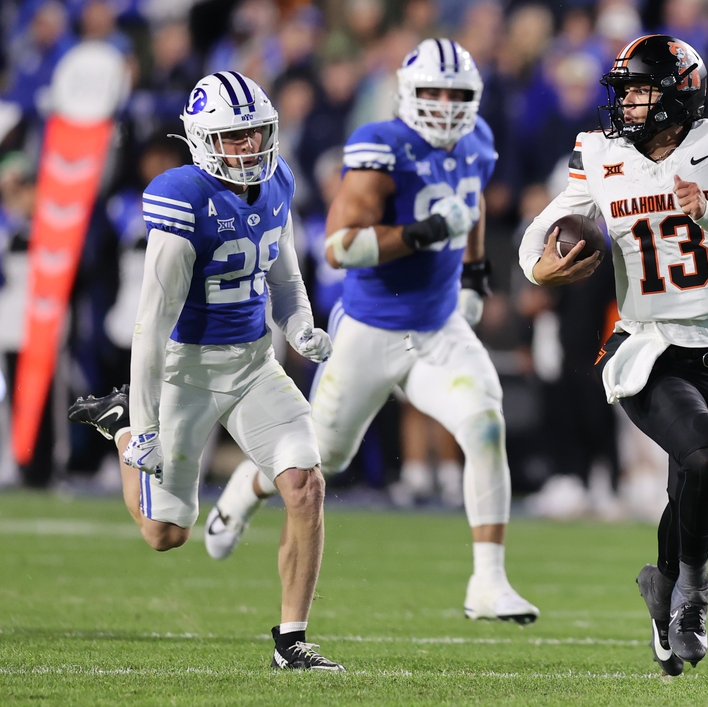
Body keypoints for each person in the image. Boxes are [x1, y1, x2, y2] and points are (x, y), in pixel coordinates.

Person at [204, 39, 539, 625]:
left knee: (486, 425)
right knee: (320, 457)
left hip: (437, 328)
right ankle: (243, 487)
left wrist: (475, 272)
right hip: (370, 331)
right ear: (408, 93)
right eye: (432, 92)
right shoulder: (381, 146)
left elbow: (471, 202)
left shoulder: (478, 140)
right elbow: (339, 248)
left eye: (456, 94)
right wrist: (423, 232)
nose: (444, 105)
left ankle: (488, 582)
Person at [518, 35, 708, 673]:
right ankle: (693, 594)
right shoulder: (600, 154)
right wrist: (541, 271)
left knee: (693, 486)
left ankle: (663, 592)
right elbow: (536, 240)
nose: (628, 103)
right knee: (706, 452)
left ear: (676, 96)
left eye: (640, 90)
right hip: (648, 345)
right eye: (626, 91)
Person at [67, 71, 343, 671]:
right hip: (182, 373)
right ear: (201, 140)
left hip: (252, 365)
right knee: (166, 534)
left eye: (256, 132)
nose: (249, 146)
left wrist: (299, 327)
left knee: (305, 484)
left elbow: (285, 278)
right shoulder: (183, 196)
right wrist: (144, 426)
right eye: (234, 136)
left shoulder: (277, 180)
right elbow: (151, 325)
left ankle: (292, 641)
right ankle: (120, 423)